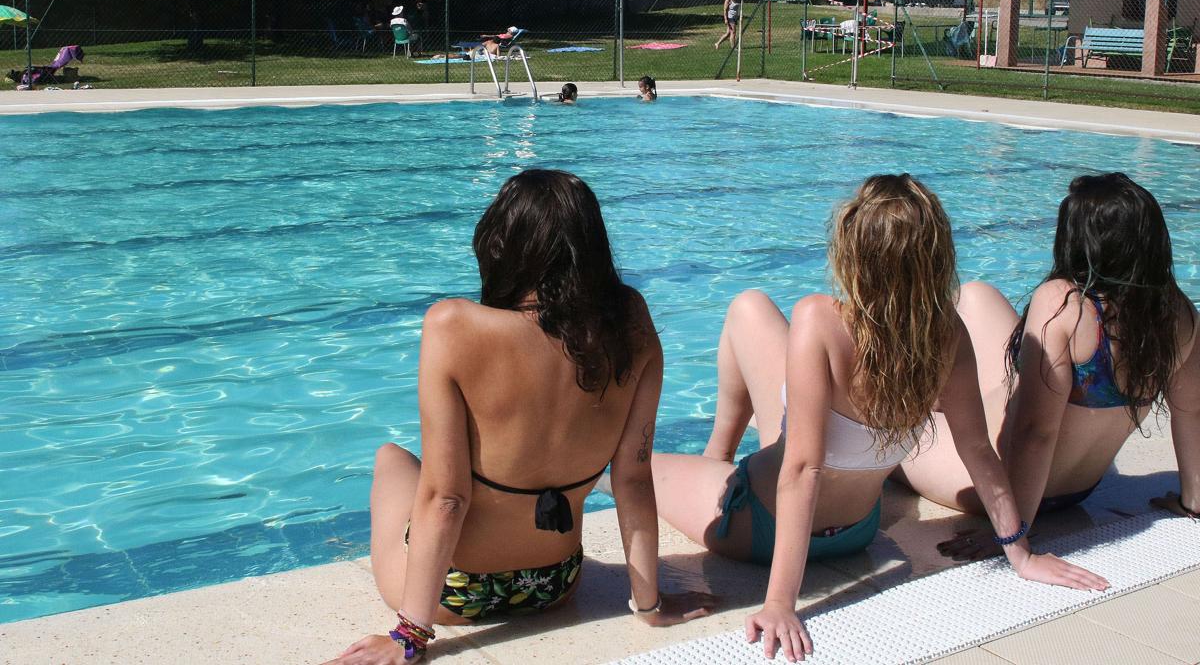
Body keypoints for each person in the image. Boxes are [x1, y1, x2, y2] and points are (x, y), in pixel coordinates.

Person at [650, 174, 1109, 662]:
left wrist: (780, 602)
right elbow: (978, 450)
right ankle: (717, 459)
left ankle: (719, 465)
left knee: (633, 472)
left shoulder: (819, 319)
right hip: (857, 529)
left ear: (853, 255)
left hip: (759, 525)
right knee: (751, 309)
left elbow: (804, 469)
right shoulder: (946, 334)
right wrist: (1021, 552)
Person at [324, 170, 712, 665]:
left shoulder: (454, 325)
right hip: (554, 585)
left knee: (393, 459)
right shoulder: (630, 323)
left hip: (455, 597)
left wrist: (408, 637)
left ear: (501, 244)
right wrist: (649, 604)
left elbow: (447, 498)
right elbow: (633, 480)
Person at [896, 173, 1199, 544]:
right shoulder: (1177, 312)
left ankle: (934, 404)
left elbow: (1035, 433)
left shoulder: (1065, 303)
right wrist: (1193, 499)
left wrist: (1013, 530)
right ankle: (942, 400)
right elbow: (1191, 411)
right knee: (977, 295)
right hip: (1079, 488)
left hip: (999, 482)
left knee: (884, 426)